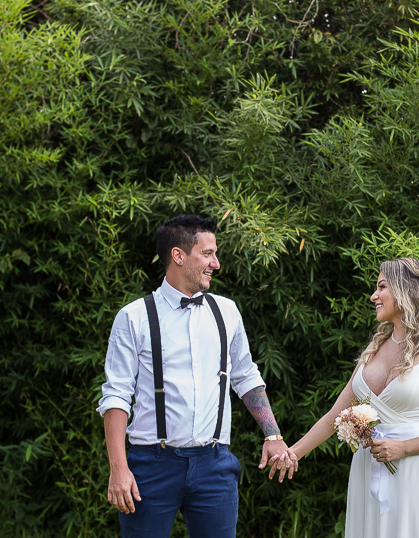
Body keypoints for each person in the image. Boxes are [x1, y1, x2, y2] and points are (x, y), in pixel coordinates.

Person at [98, 214, 297, 538]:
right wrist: (119, 469)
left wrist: (272, 435)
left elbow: (245, 377)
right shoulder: (134, 317)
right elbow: (116, 395)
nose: (215, 263)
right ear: (178, 255)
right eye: (207, 254)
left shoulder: (227, 312)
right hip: (150, 465)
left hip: (214, 464)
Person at [273, 257, 419, 537]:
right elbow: (334, 416)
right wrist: (293, 453)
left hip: (414, 471)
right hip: (368, 469)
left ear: (406, 291)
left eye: (381, 287)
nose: (373, 296)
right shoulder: (373, 350)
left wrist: (403, 448)